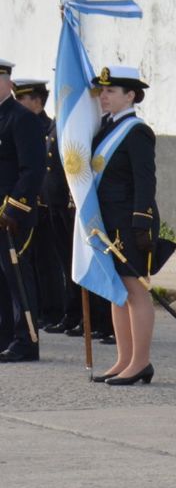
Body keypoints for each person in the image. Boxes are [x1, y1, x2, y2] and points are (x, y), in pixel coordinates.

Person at [90, 66, 160, 385]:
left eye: (111, 91)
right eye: (102, 91)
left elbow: (145, 180)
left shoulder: (136, 131)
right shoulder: (105, 127)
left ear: (130, 96)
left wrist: (142, 222)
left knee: (135, 289)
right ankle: (124, 358)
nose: (103, 96)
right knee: (117, 292)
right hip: (108, 220)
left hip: (131, 222)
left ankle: (141, 362)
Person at [0, 60, 45, 363]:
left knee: (17, 277)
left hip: (12, 217)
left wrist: (13, 210)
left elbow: (32, 170)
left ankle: (27, 340)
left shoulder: (21, 118)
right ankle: (6, 336)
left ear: (7, 83)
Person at [16, 79, 67, 334]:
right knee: (33, 260)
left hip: (46, 203)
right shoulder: (25, 124)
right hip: (32, 204)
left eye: (22, 98)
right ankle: (44, 310)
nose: (18, 104)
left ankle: (54, 309)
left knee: (48, 261)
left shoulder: (46, 126)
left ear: (37, 101)